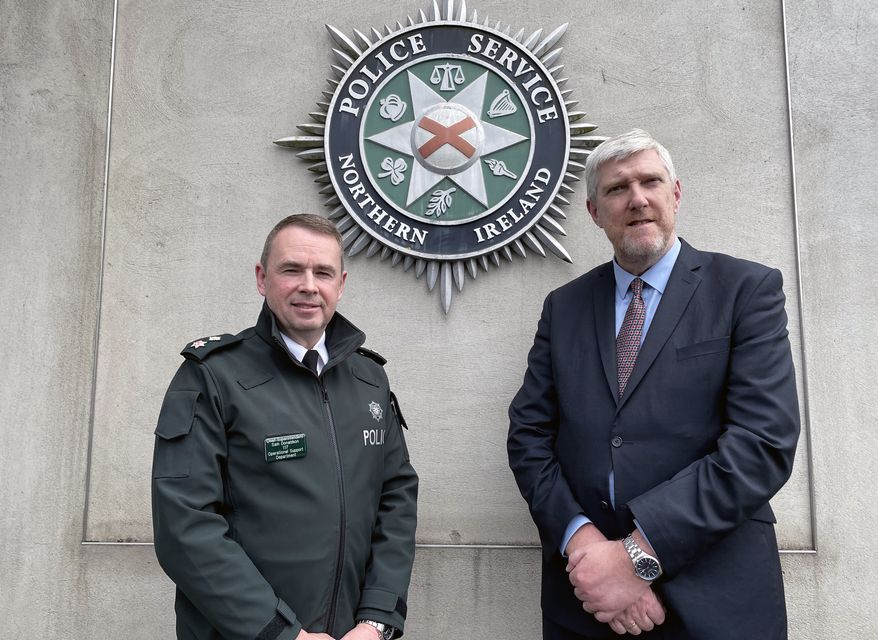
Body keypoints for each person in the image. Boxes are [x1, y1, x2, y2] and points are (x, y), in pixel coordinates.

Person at [507, 130, 800, 639]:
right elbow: (529, 436)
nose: (637, 199)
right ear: (595, 212)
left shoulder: (746, 290)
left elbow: (762, 444)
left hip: (717, 598)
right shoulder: (565, 307)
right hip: (586, 601)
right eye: (618, 189)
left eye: (651, 182)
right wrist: (584, 547)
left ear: (676, 193)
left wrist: (636, 558)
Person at [152, 214, 418, 640]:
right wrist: (280, 633)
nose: (308, 285)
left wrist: (376, 621)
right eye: (291, 269)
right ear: (262, 278)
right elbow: (185, 527)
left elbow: (397, 502)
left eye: (323, 273)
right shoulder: (213, 376)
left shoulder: (369, 379)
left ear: (341, 284)